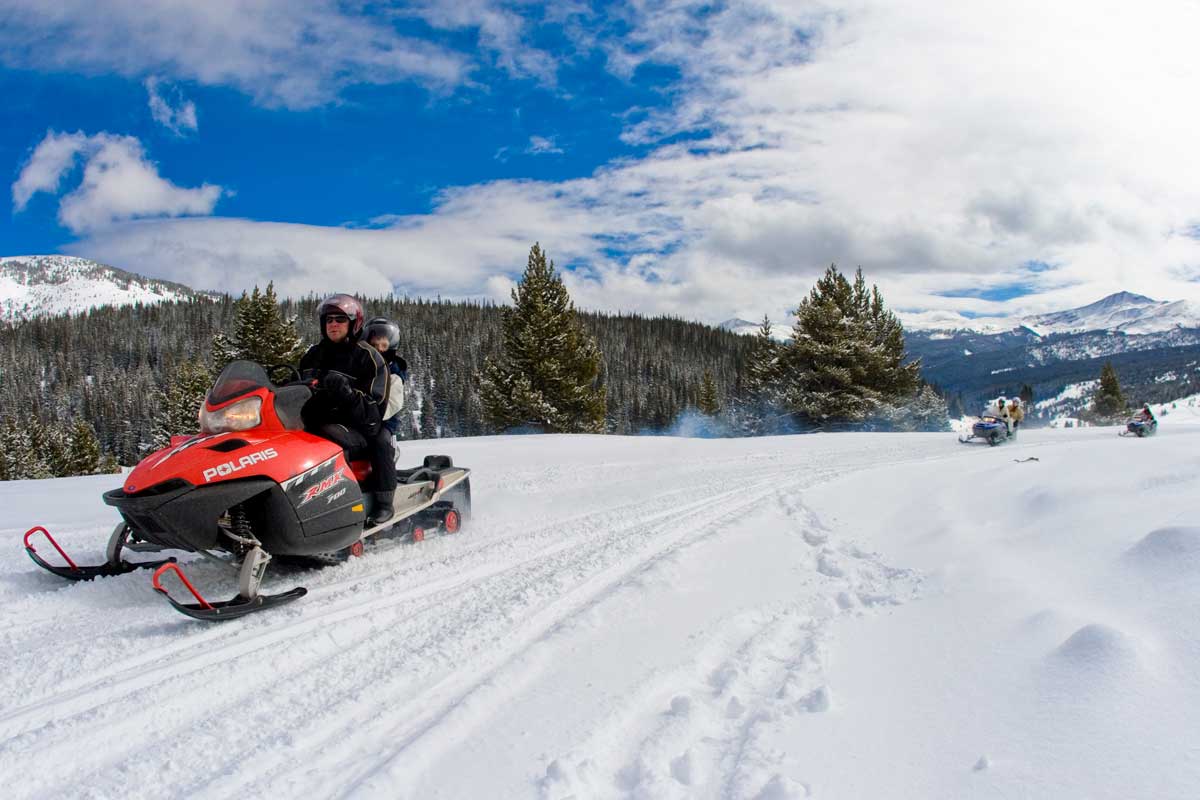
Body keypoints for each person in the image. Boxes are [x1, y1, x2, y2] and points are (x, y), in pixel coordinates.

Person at [299, 294, 397, 524]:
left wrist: (347, 393)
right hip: (312, 422)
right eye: (328, 319)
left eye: (340, 319)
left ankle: (380, 501)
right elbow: (294, 385)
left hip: (358, 429)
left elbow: (374, 416)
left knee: (330, 439)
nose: (333, 324)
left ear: (353, 323)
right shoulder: (312, 355)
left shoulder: (369, 357)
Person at [364, 317, 407, 437]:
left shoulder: (395, 373)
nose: (378, 349)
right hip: (356, 420)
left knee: (382, 444)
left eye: (383, 345)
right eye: (373, 345)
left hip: (384, 422)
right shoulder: (360, 365)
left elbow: (391, 405)